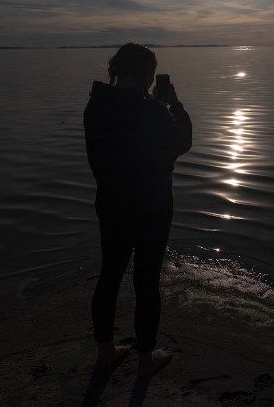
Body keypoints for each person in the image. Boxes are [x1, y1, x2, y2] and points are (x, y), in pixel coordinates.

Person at [84, 43, 193, 376]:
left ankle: (105, 351)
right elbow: (181, 143)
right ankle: (146, 359)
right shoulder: (153, 111)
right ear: (148, 74)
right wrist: (172, 103)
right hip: (152, 206)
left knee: (110, 275)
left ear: (115, 70)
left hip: (111, 203)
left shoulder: (96, 105)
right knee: (146, 282)